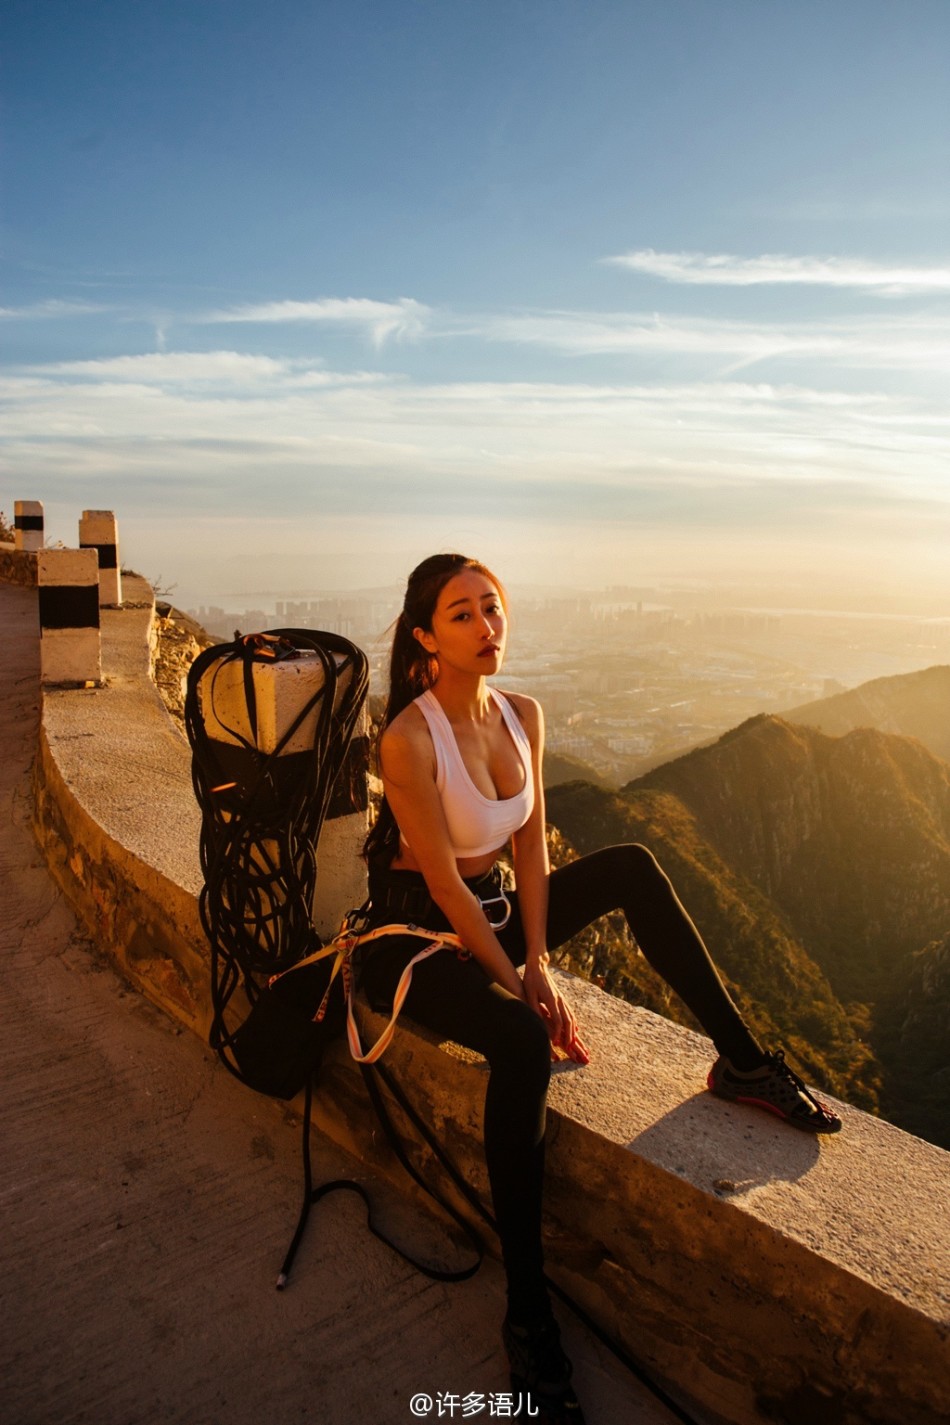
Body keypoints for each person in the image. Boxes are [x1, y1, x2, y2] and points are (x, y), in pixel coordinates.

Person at [358, 552, 841, 1424]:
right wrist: (519, 990)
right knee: (514, 1043)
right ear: (425, 635)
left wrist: (538, 960)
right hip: (415, 942)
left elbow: (532, 852)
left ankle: (741, 1062)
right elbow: (445, 886)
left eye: (493, 607)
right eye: (462, 614)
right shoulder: (408, 736)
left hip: (497, 919)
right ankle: (529, 1317)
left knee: (631, 865)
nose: (486, 626)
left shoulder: (523, 715)